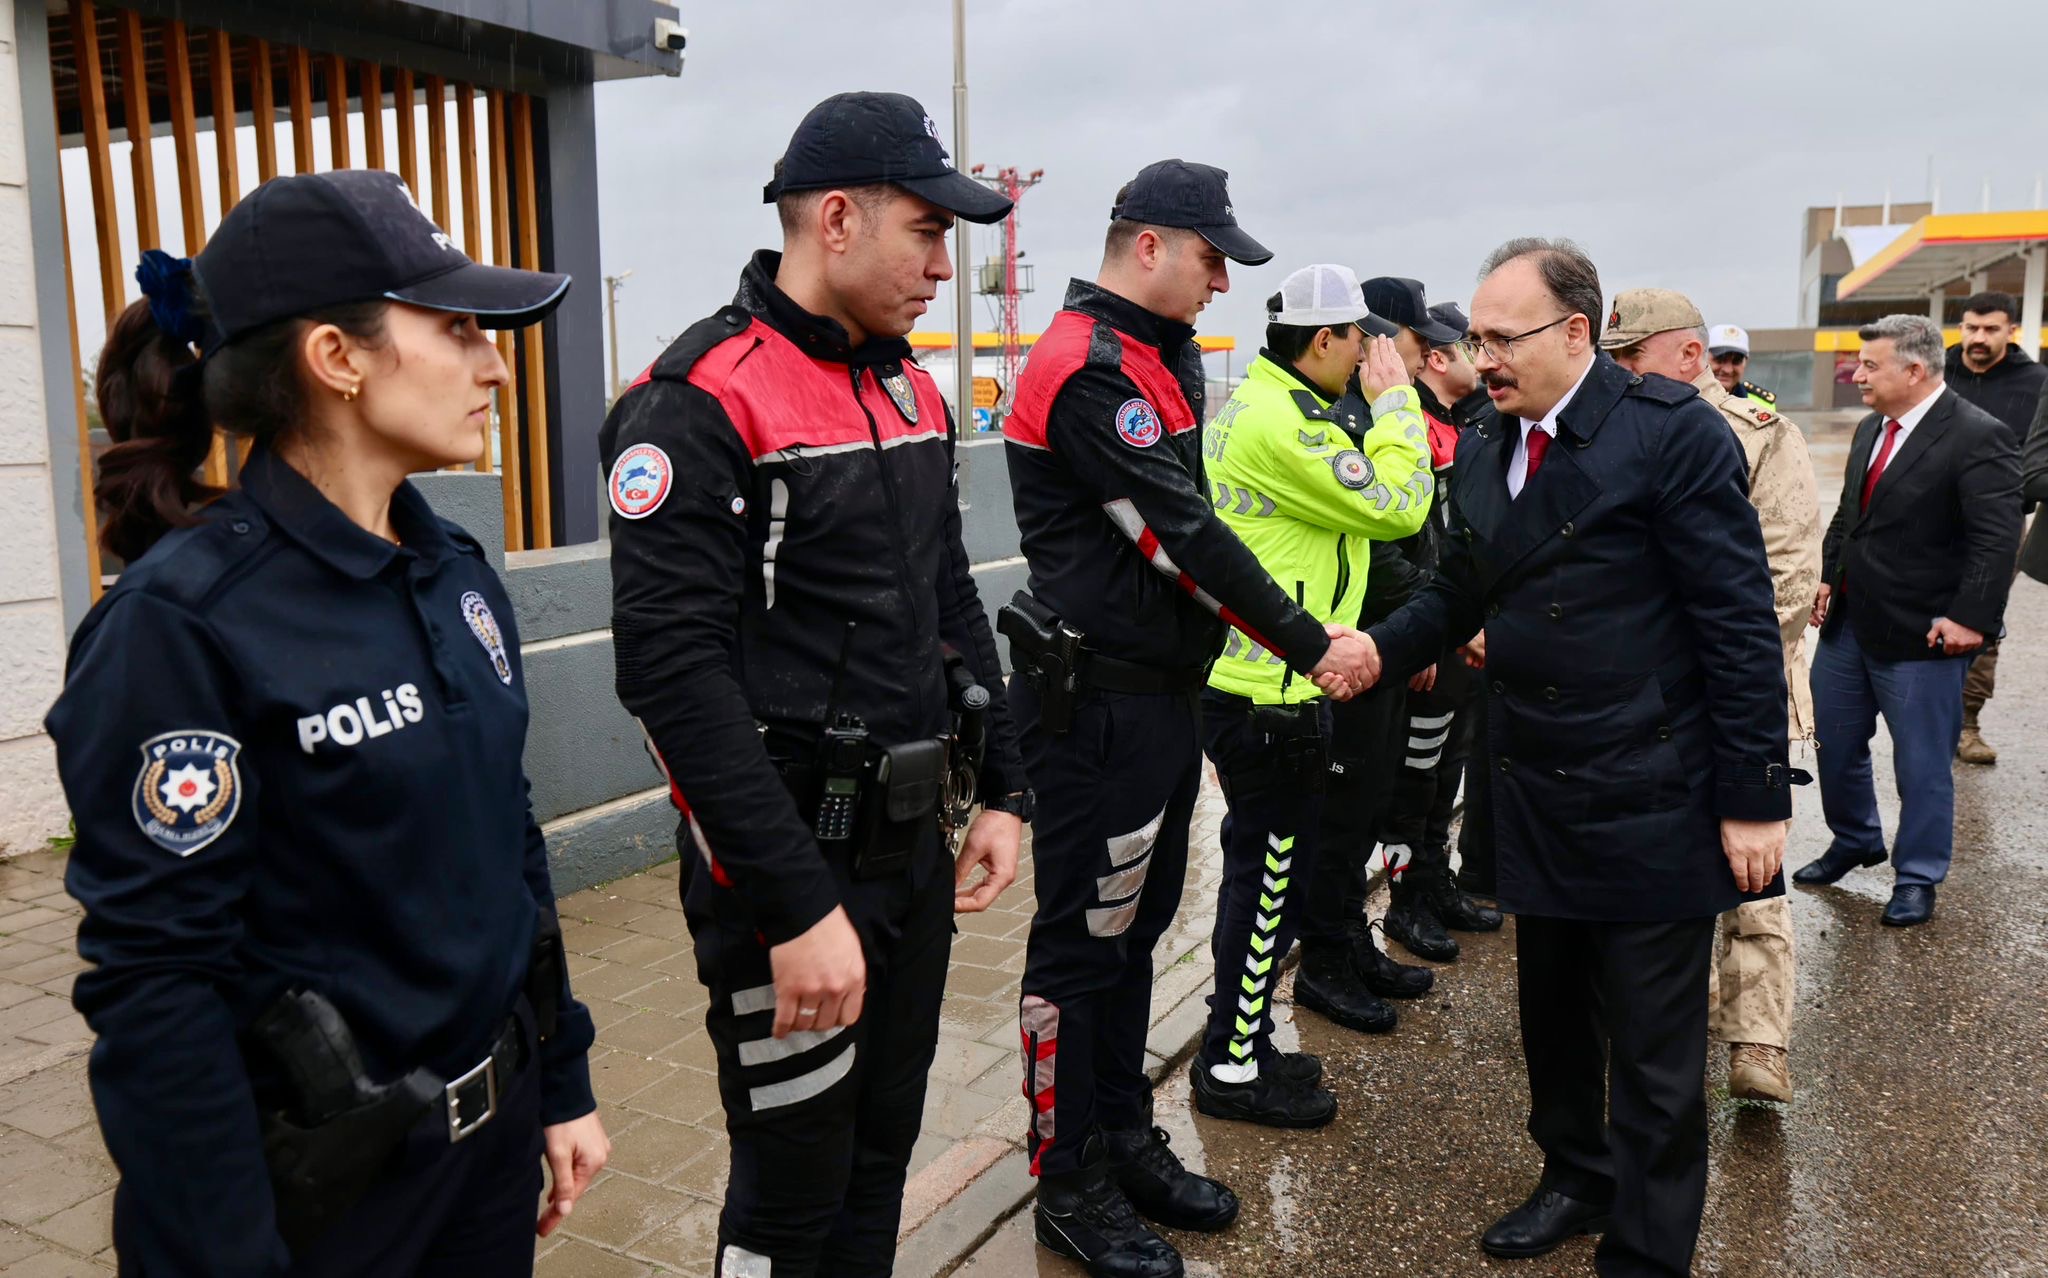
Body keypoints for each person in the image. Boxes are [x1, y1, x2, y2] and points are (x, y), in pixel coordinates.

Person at [48, 168, 607, 1276]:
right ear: (335, 358)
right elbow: (158, 990)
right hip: (326, 1207)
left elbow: (508, 848)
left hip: (487, 1167)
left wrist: (562, 1080)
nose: (495, 362)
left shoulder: (452, 573)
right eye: (455, 328)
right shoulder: (183, 627)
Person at [599, 92, 1029, 1275]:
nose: (943, 267)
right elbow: (668, 678)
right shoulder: (695, 398)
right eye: (927, 234)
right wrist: (790, 908)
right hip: (785, 875)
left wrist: (1004, 789)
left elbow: (949, 597)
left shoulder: (910, 389)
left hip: (911, 854)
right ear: (836, 218)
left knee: (878, 1163)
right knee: (789, 1197)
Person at [1360, 238, 1795, 1276]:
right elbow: (1457, 589)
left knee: (1651, 1054)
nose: (1483, 356)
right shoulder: (1479, 440)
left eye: (1501, 338)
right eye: (1473, 337)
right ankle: (1573, 1177)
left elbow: (1735, 626)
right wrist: (1373, 652)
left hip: (1648, 778)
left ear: (1573, 333)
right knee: (1550, 1018)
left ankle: (1646, 1251)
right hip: (1533, 774)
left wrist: (1752, 801)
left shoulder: (1667, 434)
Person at [1002, 159, 1377, 1278]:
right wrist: (1311, 647)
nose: (1224, 280)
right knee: (1081, 949)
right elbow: (1183, 538)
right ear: (1149, 244)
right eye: (1214, 257)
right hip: (1096, 710)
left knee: (1137, 931)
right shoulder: (1084, 366)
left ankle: (1119, 1137)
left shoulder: (1152, 356)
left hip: (1155, 703)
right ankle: (1065, 1181)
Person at [1190, 265, 1432, 1128]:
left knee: (1269, 878)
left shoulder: (1281, 407)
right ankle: (1228, 1060)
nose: (1375, 352)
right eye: (1361, 338)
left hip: (1273, 679)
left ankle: (1241, 1042)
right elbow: (1400, 506)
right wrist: (1401, 408)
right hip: (1264, 691)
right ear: (1322, 341)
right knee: (1264, 883)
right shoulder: (1280, 422)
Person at [1602, 287, 1821, 1105]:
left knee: (1754, 861)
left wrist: (1718, 665)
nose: (1617, 370)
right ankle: (1665, 1030)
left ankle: (1759, 1040)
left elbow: (1791, 573)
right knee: (1661, 867)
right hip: (1640, 697)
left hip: (1739, 685)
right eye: (1612, 356)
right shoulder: (1609, 430)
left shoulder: (1763, 436)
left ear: (1688, 356)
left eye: (1632, 356)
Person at [1796, 314, 2023, 928]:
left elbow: (1996, 541)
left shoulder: (1979, 436)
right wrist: (1826, 575)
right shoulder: (1873, 426)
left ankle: (1918, 876)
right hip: (1850, 625)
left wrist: (1970, 618)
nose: (1857, 374)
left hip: (1924, 636)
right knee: (1836, 744)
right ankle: (1855, 840)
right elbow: (1849, 514)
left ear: (1915, 370)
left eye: (1870, 365)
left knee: (1921, 765)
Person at [1360, 279, 1506, 962]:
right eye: (1430, 340)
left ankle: (1432, 881)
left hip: (1449, 626)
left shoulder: (1455, 421)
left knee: (1444, 767)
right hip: (1421, 627)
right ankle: (1404, 903)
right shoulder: (1387, 420)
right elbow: (1386, 545)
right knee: (1408, 780)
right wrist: (1420, 625)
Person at [1942, 290, 2047, 763]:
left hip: (1999, 523)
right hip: (1927, 518)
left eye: (1991, 329)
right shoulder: (1935, 370)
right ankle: (1923, 715)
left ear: (2012, 331)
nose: (1978, 338)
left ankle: (1966, 723)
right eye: (1970, 328)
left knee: (1980, 618)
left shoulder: (2035, 381)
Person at [1706, 323, 1777, 410]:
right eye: (1720, 359)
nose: (1728, 370)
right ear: (1703, 358)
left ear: (1745, 362)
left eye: (1737, 361)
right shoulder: (1687, 397)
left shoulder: (1762, 404)